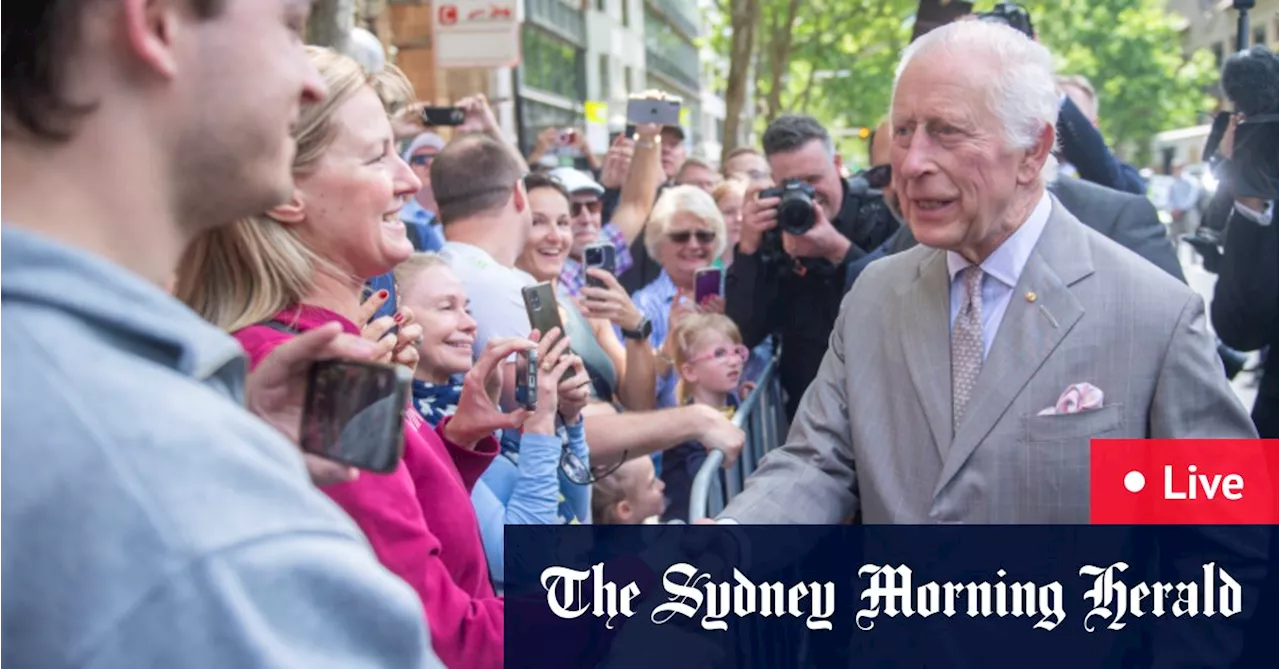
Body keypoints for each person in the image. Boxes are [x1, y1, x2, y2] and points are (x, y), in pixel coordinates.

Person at [0, 2, 443, 667]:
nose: (309, 83)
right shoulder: (178, 509)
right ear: (156, 23)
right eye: (289, 28)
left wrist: (241, 440)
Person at [176, 46, 510, 669]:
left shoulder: (316, 350)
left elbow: (394, 529)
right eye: (378, 155)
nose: (411, 181)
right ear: (285, 194)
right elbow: (441, 638)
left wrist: (453, 446)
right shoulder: (317, 370)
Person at [394, 252, 593, 591]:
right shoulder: (417, 427)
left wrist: (569, 421)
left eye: (467, 308)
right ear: (399, 320)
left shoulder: (473, 399)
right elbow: (518, 560)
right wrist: (540, 426)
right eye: (446, 308)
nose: (470, 323)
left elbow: (575, 509)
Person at [726, 114, 901, 419]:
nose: (805, 195)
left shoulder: (877, 214)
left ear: (836, 163)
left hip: (881, 402)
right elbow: (744, 332)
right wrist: (748, 248)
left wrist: (839, 250)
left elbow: (899, 307)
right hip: (808, 410)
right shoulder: (773, 227)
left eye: (813, 180)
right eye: (790, 184)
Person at [631, 185, 730, 409]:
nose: (694, 244)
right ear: (658, 243)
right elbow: (635, 396)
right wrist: (670, 342)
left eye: (704, 235)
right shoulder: (642, 305)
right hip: (673, 436)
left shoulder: (733, 294)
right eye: (680, 236)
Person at [662, 313, 747, 522]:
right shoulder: (686, 429)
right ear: (690, 372)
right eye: (720, 354)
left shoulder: (733, 402)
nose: (734, 360)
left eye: (737, 351)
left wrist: (745, 403)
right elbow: (700, 484)